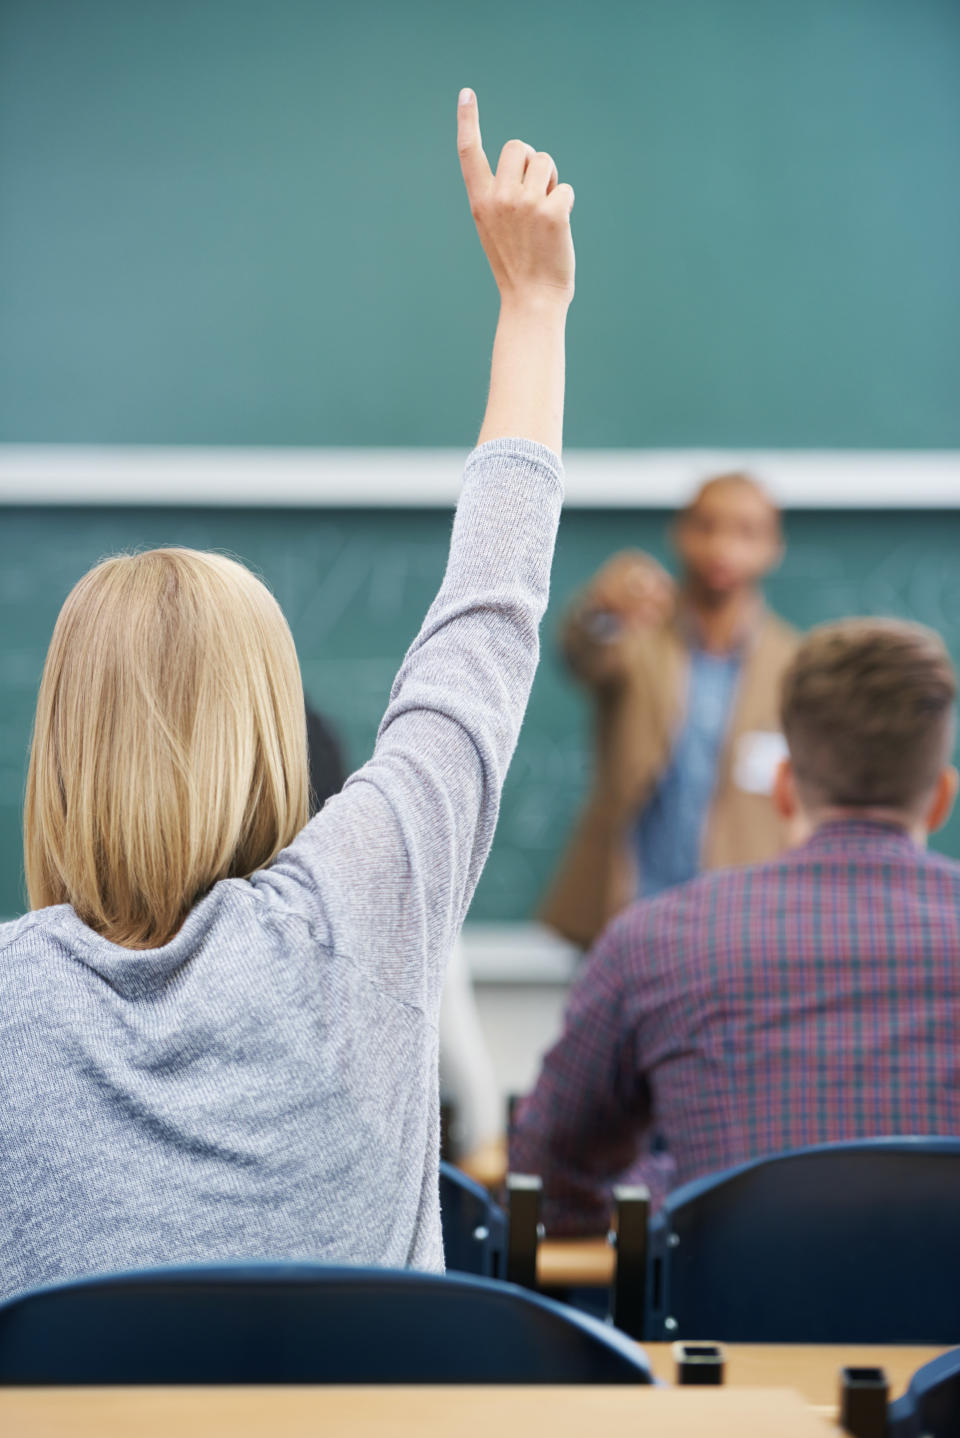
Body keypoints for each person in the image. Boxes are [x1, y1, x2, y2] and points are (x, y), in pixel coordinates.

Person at [0, 88, 575, 1301]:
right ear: (272, 738)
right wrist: (533, 306)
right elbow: (491, 612)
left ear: (56, 755)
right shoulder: (367, 914)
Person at [512, 618, 960, 1234]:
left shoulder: (654, 940)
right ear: (941, 797)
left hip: (726, 1326)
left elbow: (546, 1173)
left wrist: (667, 1194)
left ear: (783, 788)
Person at [540, 474, 798, 949]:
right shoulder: (639, 633)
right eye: (706, 526)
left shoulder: (791, 664)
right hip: (628, 904)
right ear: (679, 532)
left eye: (745, 532)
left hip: (736, 919)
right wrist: (602, 609)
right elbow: (582, 654)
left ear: (773, 548)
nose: (722, 545)